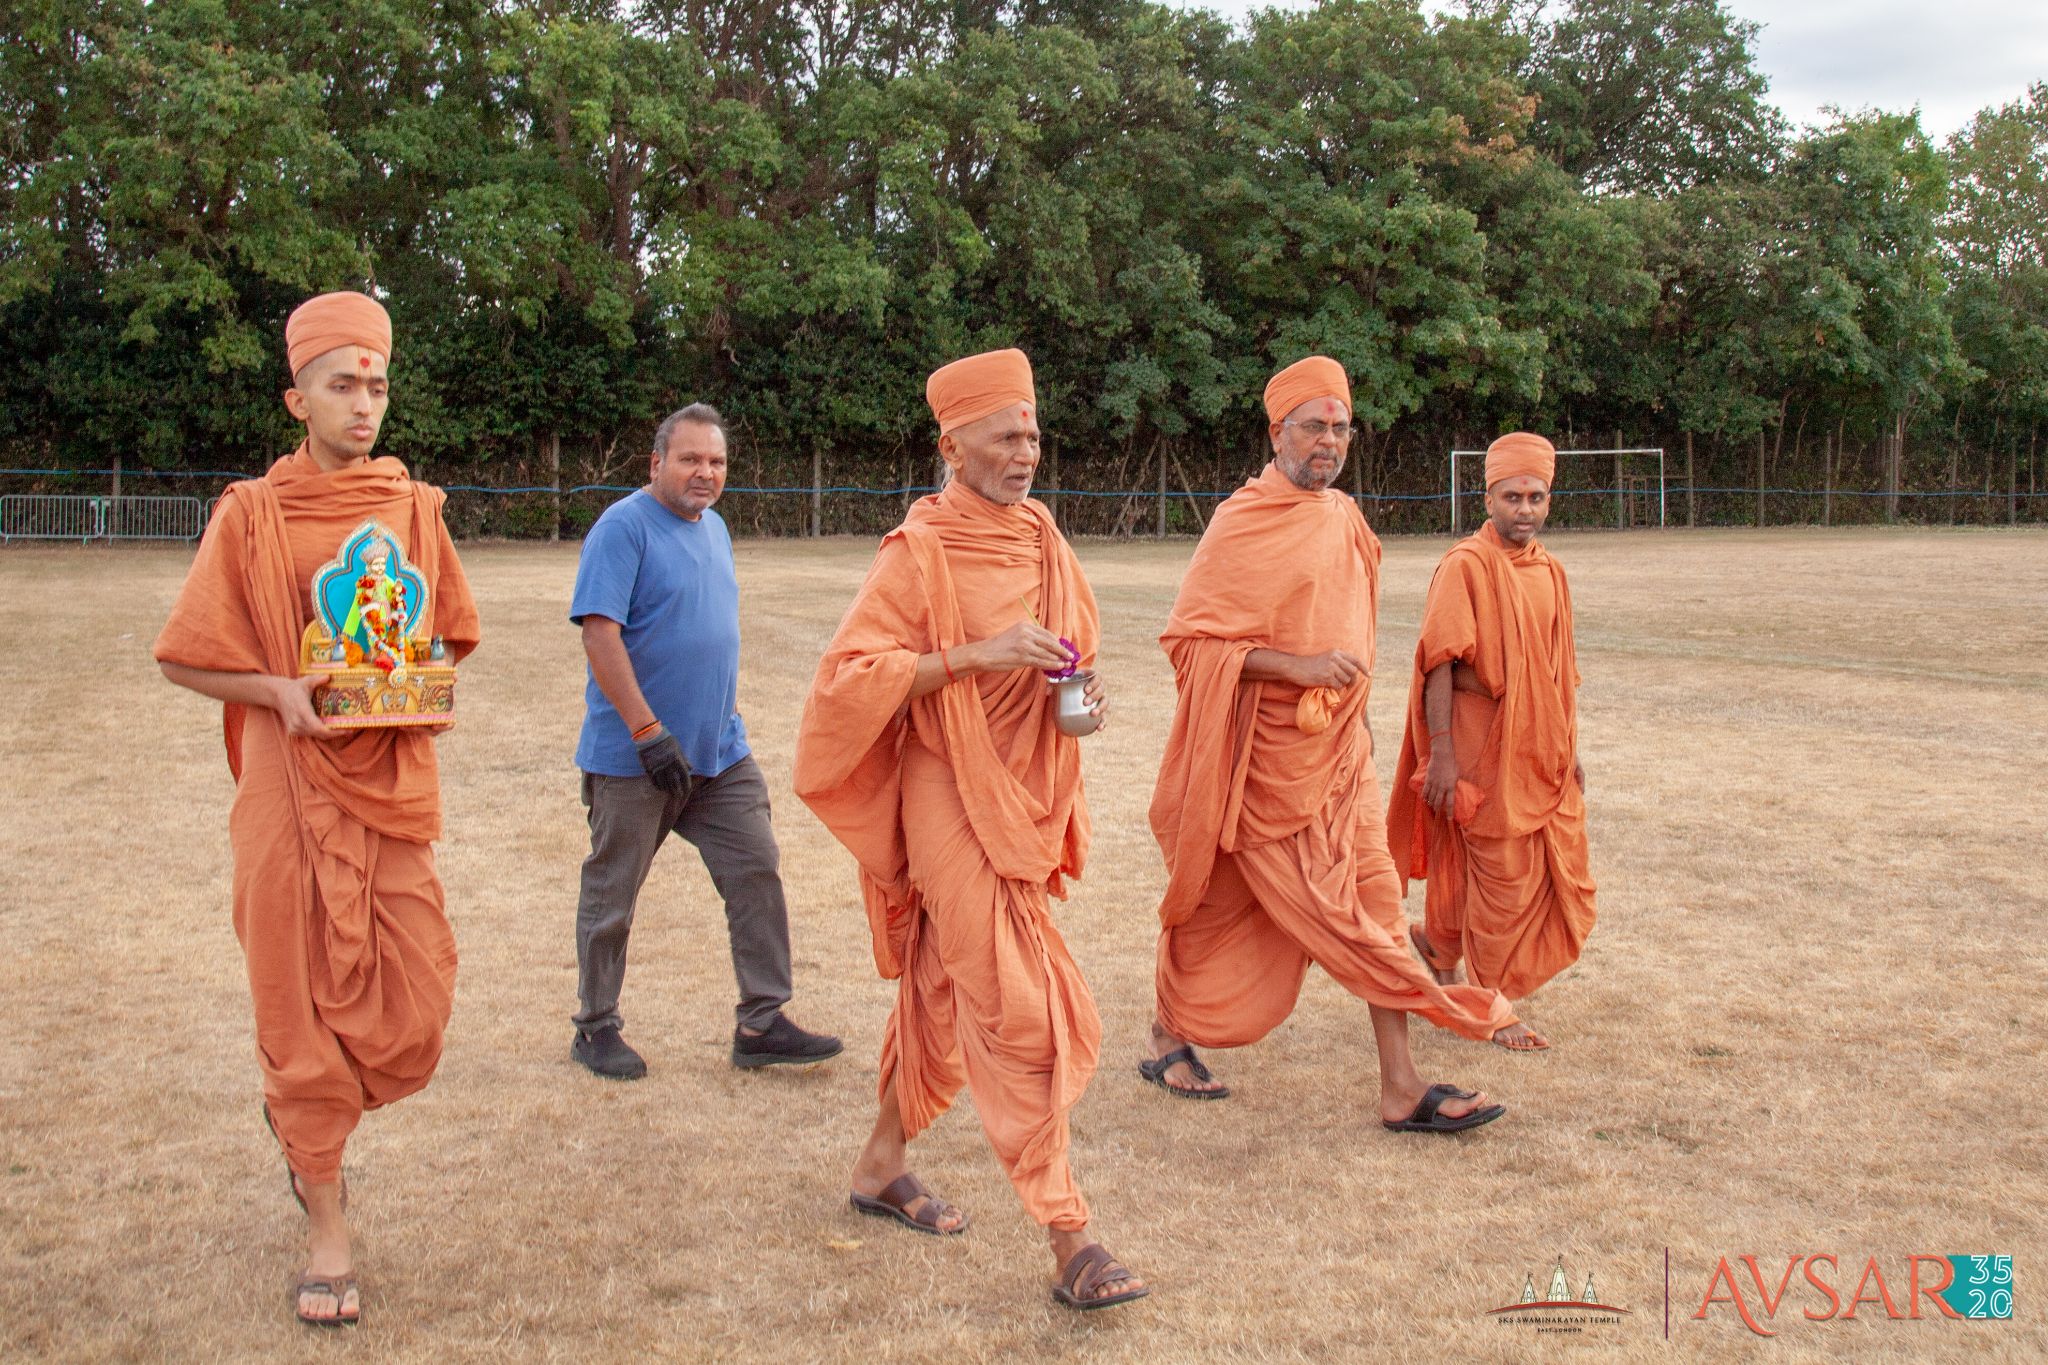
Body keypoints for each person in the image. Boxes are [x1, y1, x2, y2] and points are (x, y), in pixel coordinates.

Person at [793, 349, 1148, 1311]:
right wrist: (967, 656)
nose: (1025, 451)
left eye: (1032, 433)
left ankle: (879, 1163)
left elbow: (1069, 660)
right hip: (944, 784)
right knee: (1018, 1008)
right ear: (953, 444)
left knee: (941, 984)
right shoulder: (920, 551)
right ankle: (1071, 1236)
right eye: (1006, 435)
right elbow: (847, 678)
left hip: (1025, 787)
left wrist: (1079, 702)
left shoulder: (1042, 537)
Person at [153, 290, 481, 1326]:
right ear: (295, 398)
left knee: (416, 1001)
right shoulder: (250, 514)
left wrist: (415, 671)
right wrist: (275, 692)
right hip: (286, 793)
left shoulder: (414, 507)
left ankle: (312, 1124)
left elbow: (447, 632)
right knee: (295, 1006)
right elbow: (186, 654)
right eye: (343, 385)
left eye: (377, 385)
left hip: (389, 782)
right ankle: (325, 1217)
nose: (363, 405)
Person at [1141, 355, 1515, 1133]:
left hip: (1340, 759)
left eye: (1342, 426)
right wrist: (1295, 666)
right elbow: (1189, 644)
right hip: (1260, 766)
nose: (1330, 440)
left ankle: (1401, 1086)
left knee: (1375, 905)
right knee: (1214, 904)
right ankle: (1168, 1033)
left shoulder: (1345, 516)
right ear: (1276, 430)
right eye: (1314, 425)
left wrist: (1360, 722)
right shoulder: (1241, 520)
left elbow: (1357, 630)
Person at [568, 403, 840, 1079]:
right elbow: (600, 633)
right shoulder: (623, 528)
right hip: (637, 757)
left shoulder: (713, 528)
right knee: (614, 892)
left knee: (756, 867)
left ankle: (762, 1020)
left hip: (718, 754)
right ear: (656, 463)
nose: (705, 472)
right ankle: (595, 1026)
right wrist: (647, 731)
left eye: (716, 461)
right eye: (690, 459)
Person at [1385, 431, 1596, 1049]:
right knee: (1501, 871)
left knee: (1484, 867)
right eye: (1512, 496)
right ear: (1488, 497)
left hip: (1537, 747)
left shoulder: (1552, 573)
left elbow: (1558, 671)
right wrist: (1442, 754)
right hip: (1477, 742)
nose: (1523, 509)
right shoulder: (1465, 566)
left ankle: (1441, 955)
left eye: (1535, 497)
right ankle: (1494, 1003)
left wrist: (1570, 750)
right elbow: (1439, 665)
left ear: (1549, 501)